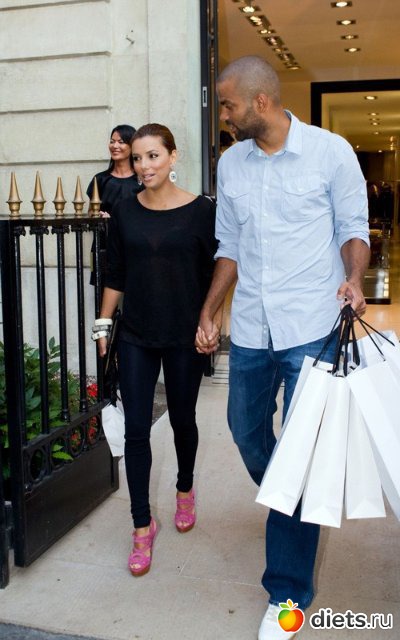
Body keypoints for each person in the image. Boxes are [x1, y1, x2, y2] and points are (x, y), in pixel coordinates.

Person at [195, 56, 370, 640]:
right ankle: (293, 496)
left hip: (311, 324)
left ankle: (288, 593)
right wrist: (209, 310)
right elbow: (229, 245)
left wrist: (355, 279)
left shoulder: (330, 152)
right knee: (246, 433)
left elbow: (353, 228)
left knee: (296, 453)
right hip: (251, 327)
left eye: (228, 105)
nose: (224, 115)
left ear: (260, 102)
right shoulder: (232, 163)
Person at [92, 123, 218, 577]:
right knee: (136, 432)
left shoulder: (202, 210)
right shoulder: (125, 210)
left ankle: (184, 488)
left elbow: (218, 272)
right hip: (136, 335)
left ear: (172, 156)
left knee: (183, 420)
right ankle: (141, 527)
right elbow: (116, 273)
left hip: (184, 336)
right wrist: (103, 325)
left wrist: (211, 320)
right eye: (138, 158)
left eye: (153, 156)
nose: (144, 166)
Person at [86, 124, 143, 283]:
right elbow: (90, 214)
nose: (115, 146)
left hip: (133, 244)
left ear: (132, 146)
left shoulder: (141, 180)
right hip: (104, 244)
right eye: (112, 141)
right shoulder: (100, 179)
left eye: (121, 142)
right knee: (104, 289)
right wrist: (98, 217)